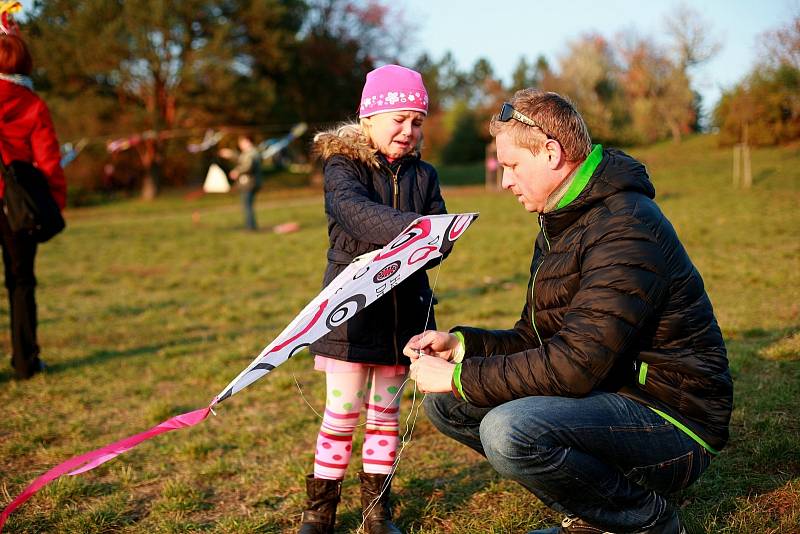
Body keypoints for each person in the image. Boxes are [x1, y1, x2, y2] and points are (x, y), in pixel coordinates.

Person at [404, 89, 732, 534]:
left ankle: (644, 521)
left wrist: (463, 377)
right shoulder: (561, 220)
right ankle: (598, 508)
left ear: (552, 153)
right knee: (450, 407)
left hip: (671, 420)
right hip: (608, 394)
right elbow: (536, 338)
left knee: (509, 430)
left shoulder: (625, 226)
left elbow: (575, 365)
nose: (505, 181)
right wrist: (461, 347)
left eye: (513, 166)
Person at [300, 64, 446, 534]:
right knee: (341, 415)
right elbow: (355, 213)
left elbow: (439, 232)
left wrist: (439, 239)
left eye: (417, 121)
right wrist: (416, 233)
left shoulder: (425, 175)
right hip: (351, 316)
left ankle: (376, 512)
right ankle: (318, 513)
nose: (408, 131)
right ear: (368, 119)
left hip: (405, 319)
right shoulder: (344, 167)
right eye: (398, 119)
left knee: (385, 418)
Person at [0, 30, 67, 379]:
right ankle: (26, 361)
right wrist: (54, 202)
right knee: (21, 281)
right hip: (18, 205)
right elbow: (49, 160)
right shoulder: (32, 104)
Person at [220, 134, 262, 231]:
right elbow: (242, 159)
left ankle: (250, 227)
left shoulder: (252, 153)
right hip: (251, 183)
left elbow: (247, 166)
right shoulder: (250, 153)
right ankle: (250, 226)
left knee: (247, 206)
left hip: (250, 184)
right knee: (248, 205)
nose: (240, 145)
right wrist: (231, 154)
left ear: (247, 141)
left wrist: (237, 171)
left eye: (241, 142)